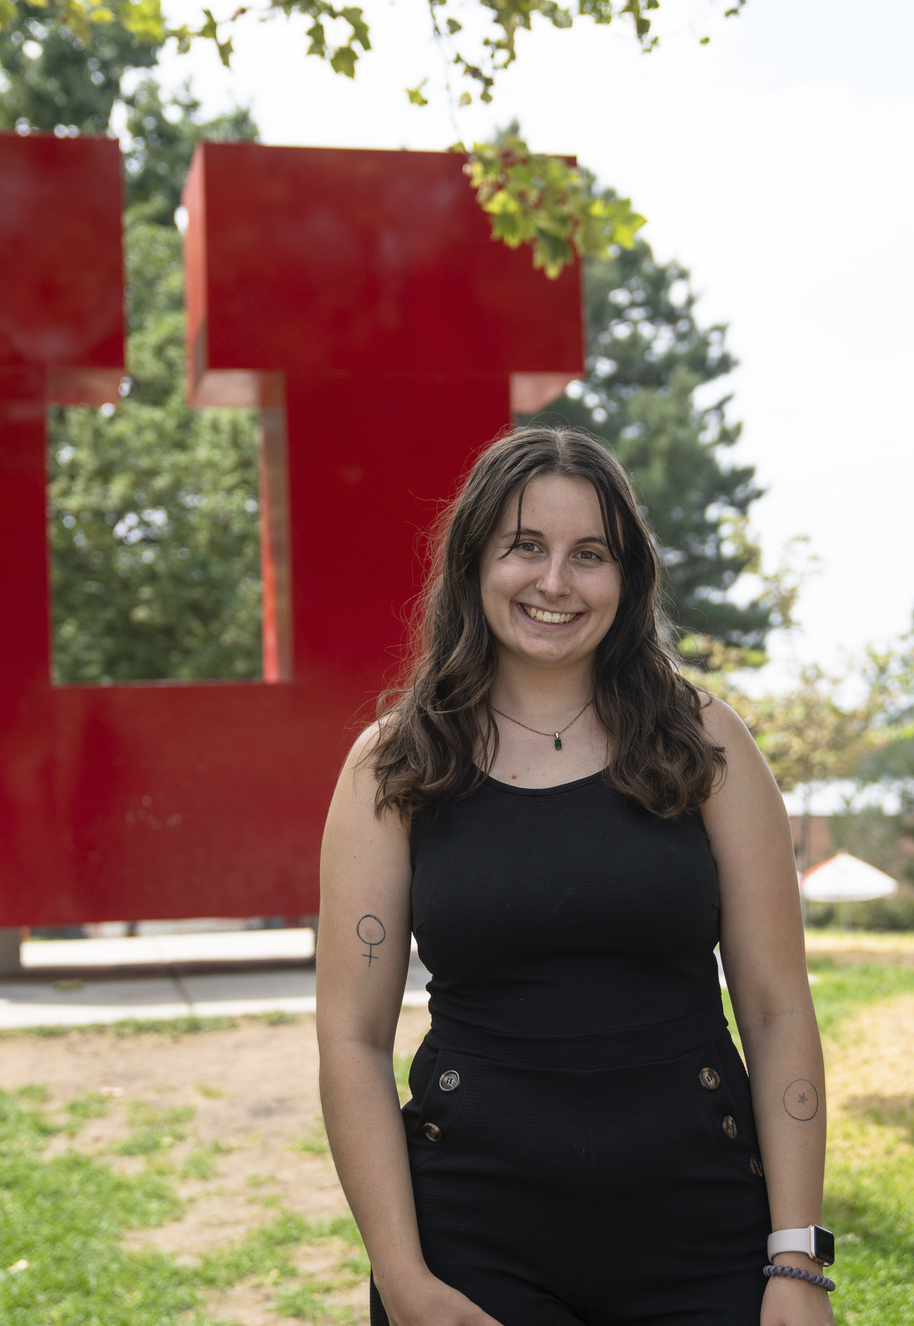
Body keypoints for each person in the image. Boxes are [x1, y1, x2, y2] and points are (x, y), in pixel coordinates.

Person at [315, 427, 834, 1325]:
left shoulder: (707, 741)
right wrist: (404, 1278)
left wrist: (796, 1262)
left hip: (704, 1227)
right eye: (526, 546)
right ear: (475, 561)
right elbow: (352, 1040)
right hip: (473, 1239)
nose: (555, 582)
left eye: (588, 554)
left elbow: (778, 1006)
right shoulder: (394, 765)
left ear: (626, 578)